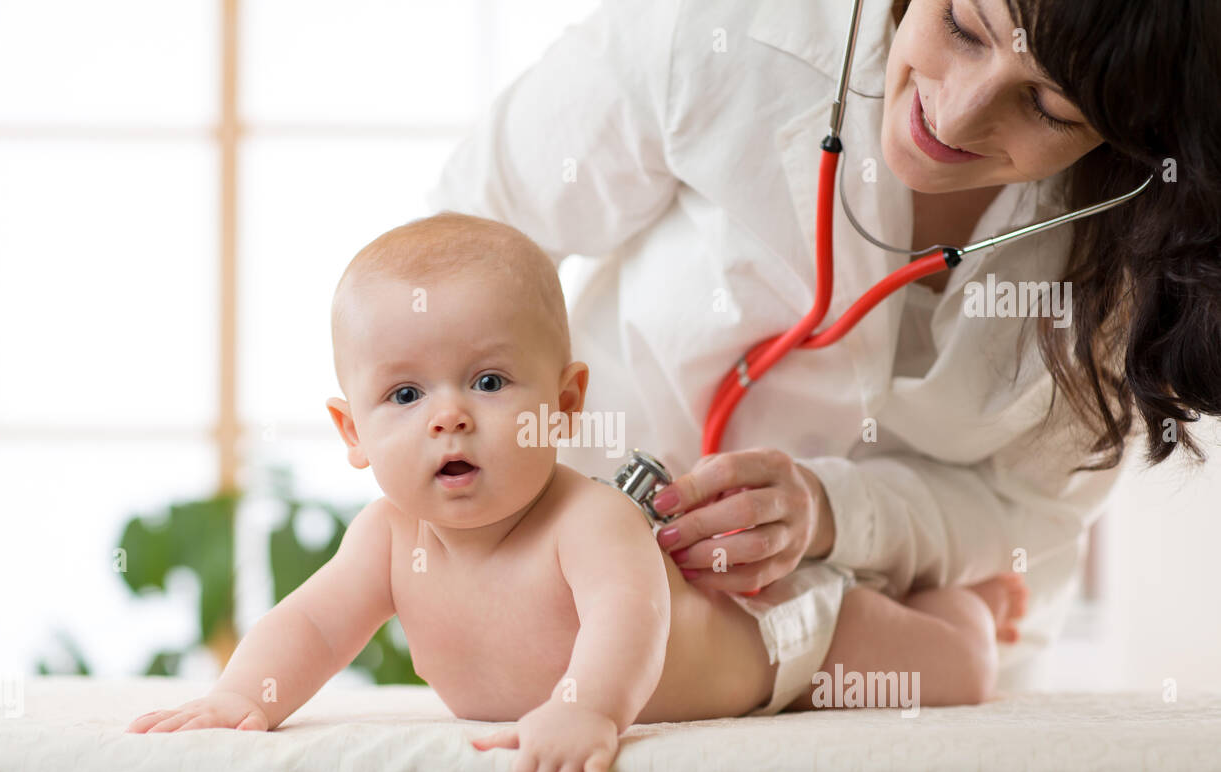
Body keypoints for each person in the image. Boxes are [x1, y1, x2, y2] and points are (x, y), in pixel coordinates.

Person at [127, 211, 1027, 772]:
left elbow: (627, 624)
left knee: (957, 668)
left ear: (563, 406)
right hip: (746, 638)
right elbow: (314, 624)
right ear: (353, 433)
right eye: (405, 394)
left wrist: (585, 710)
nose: (449, 416)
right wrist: (248, 695)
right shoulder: (386, 540)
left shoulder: (586, 518)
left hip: (784, 639)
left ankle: (969, 602)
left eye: (487, 382)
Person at [424, 0, 1221, 694]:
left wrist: (837, 513)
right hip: (612, 524)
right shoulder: (723, 30)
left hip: (910, 622)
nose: (955, 115)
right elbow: (467, 240)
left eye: (1049, 105)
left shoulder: (1143, 246)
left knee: (938, 671)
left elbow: (1032, 512)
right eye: (962, 27)